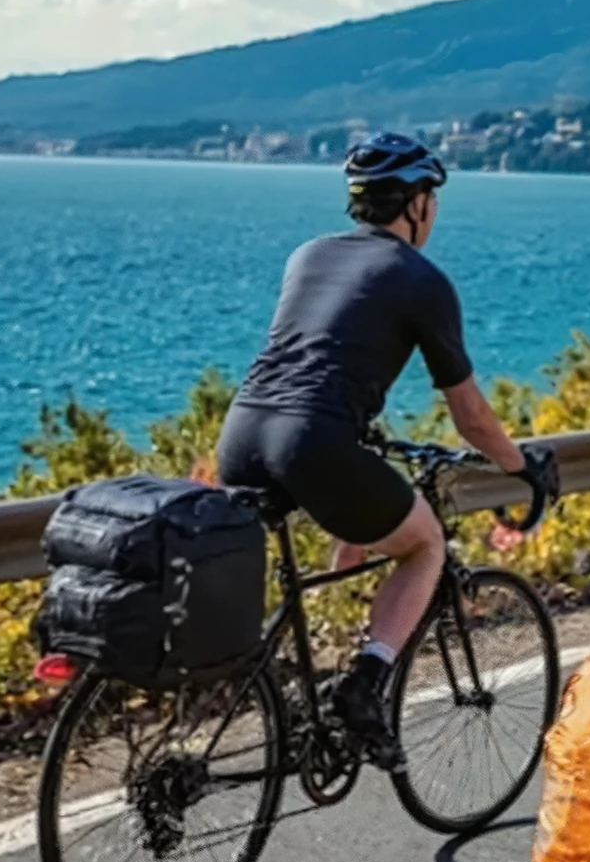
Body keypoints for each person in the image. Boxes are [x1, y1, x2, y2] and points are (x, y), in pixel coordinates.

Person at [217, 133, 557, 767]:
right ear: (418, 204)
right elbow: (472, 417)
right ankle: (364, 686)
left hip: (243, 432)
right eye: (433, 200)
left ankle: (299, 683)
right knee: (426, 543)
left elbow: (317, 354)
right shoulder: (420, 280)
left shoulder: (308, 255)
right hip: (312, 440)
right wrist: (523, 469)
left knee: (362, 513)